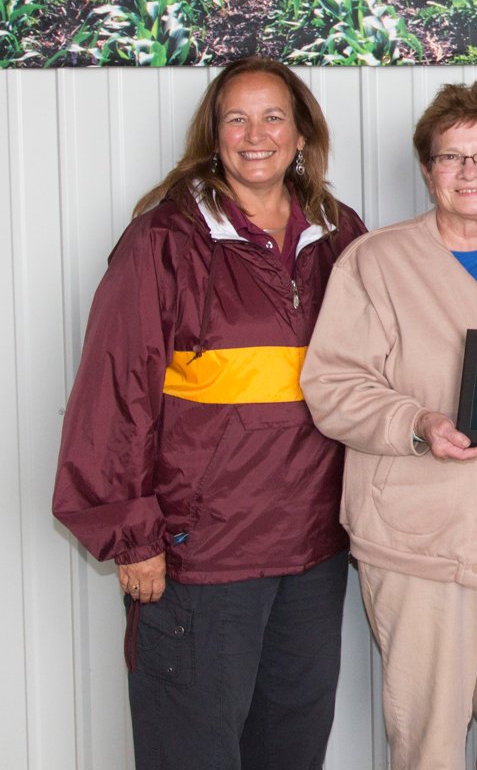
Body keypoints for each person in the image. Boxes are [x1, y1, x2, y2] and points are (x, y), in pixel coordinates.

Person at [52, 57, 366, 770]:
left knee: (291, 750)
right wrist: (134, 535)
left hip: (314, 552)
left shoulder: (339, 232)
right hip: (204, 557)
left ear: (302, 133)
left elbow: (376, 376)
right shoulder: (165, 242)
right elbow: (114, 394)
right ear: (213, 134)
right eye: (236, 118)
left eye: (273, 116)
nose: (256, 134)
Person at [299, 81, 477, 770]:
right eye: (450, 157)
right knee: (427, 737)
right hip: (419, 538)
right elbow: (331, 384)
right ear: (427, 169)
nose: (470, 173)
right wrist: (417, 423)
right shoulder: (374, 262)